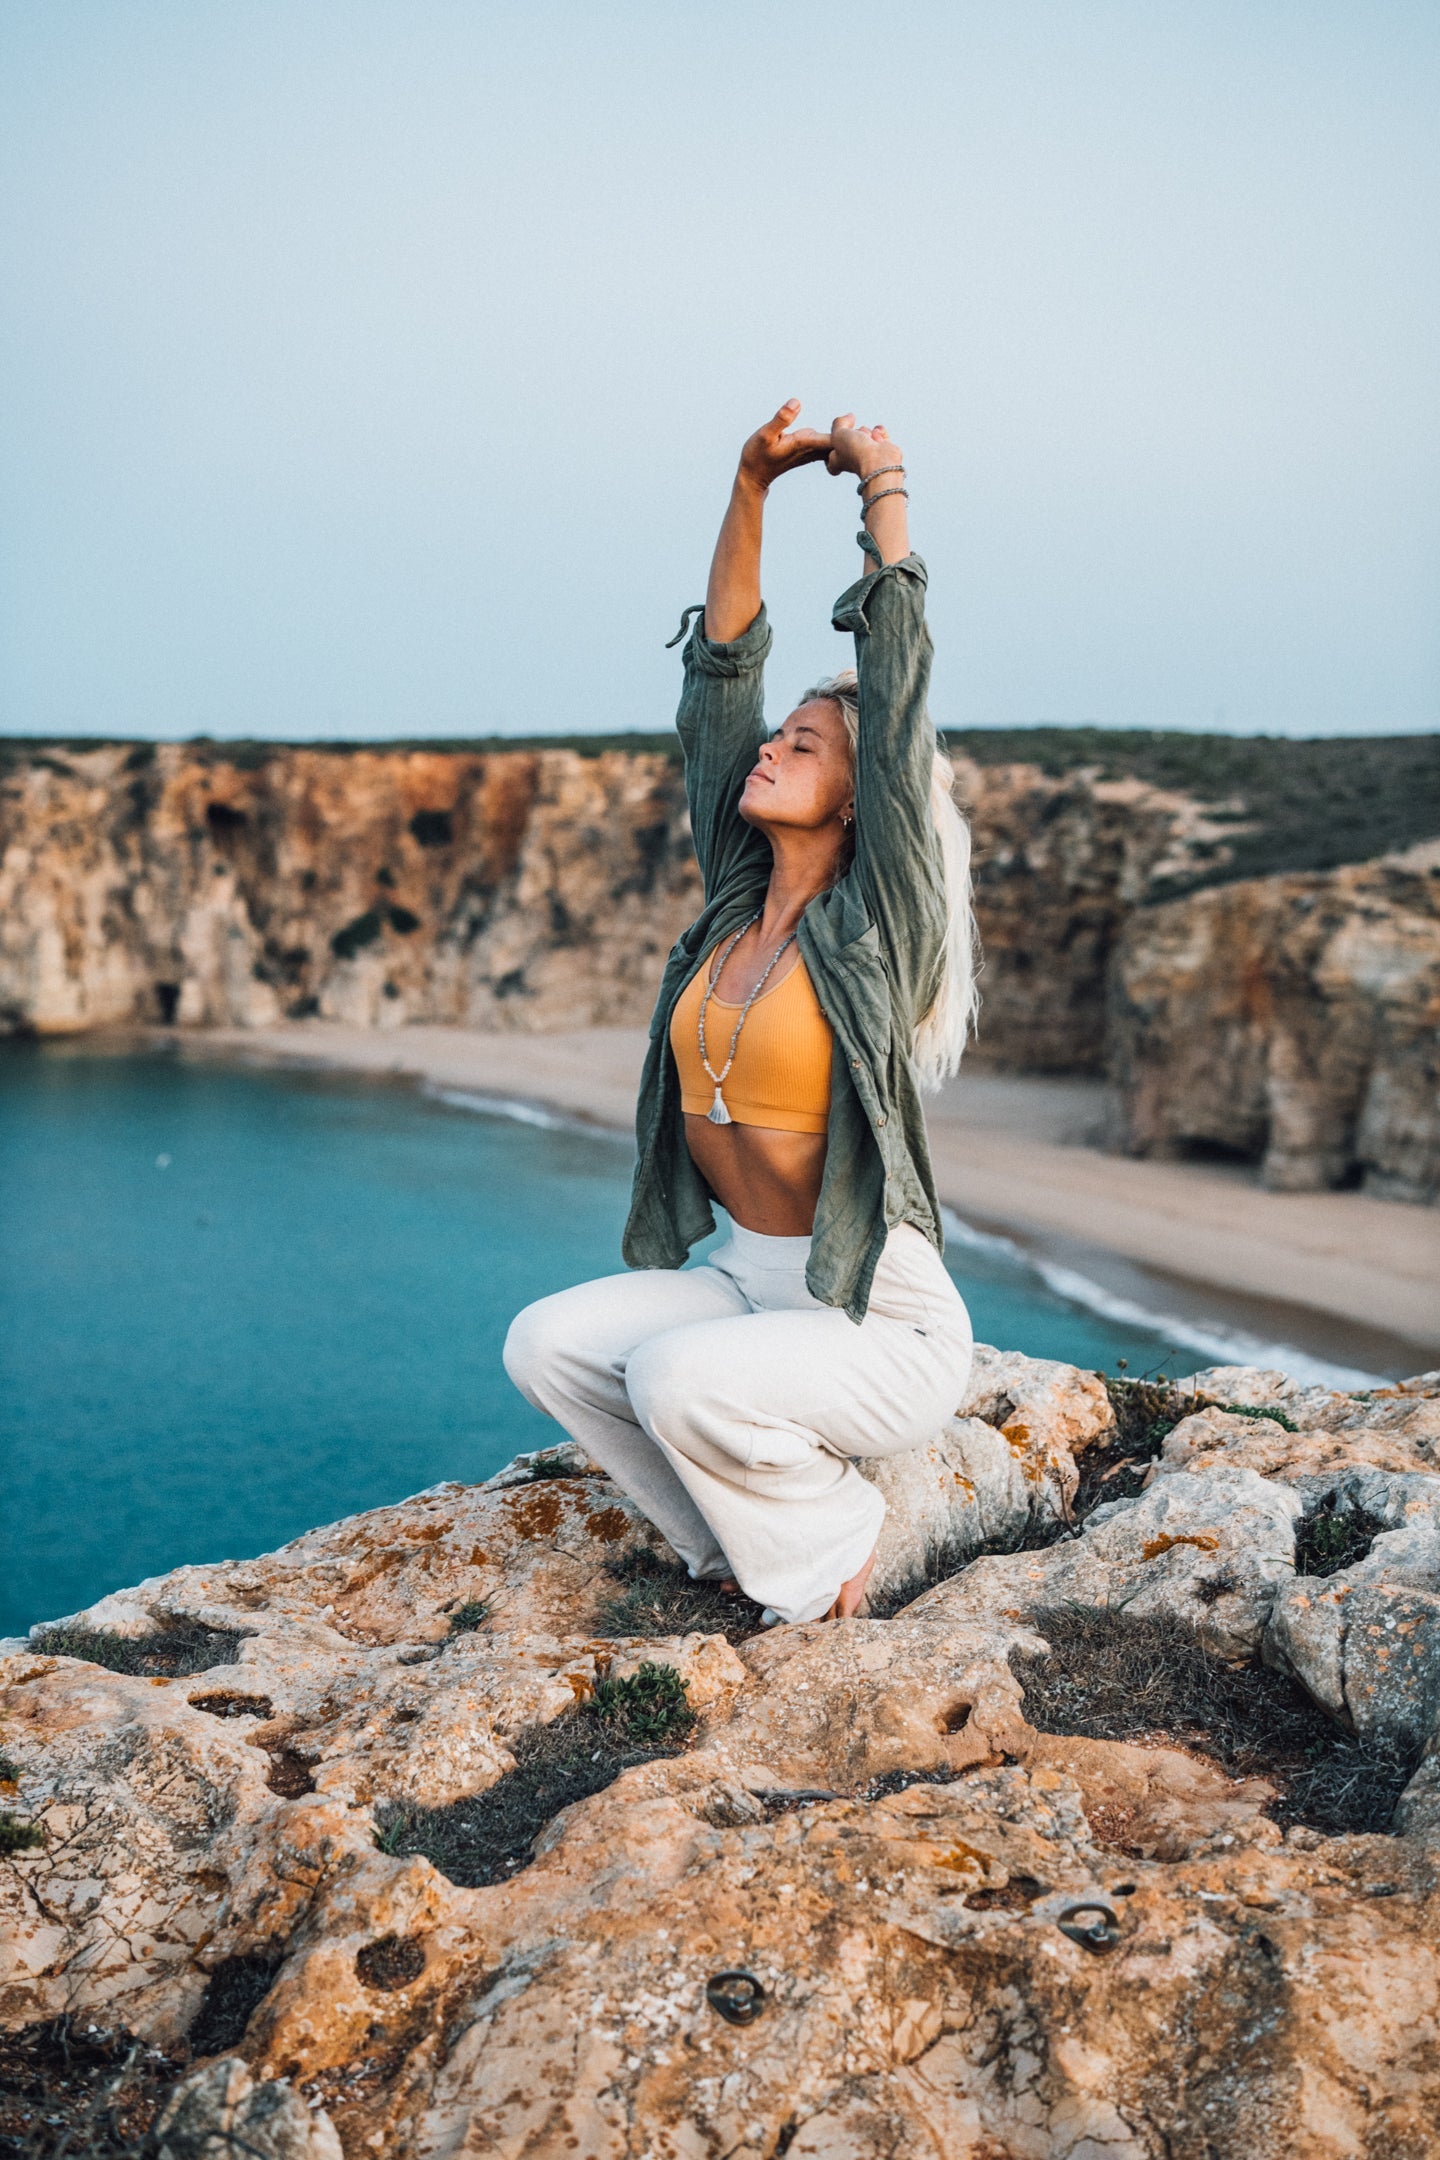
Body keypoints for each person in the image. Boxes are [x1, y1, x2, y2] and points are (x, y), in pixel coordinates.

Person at [504, 402, 980, 1623]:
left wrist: (883, 485)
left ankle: (828, 1547)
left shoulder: (875, 924)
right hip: (746, 1279)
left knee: (674, 1377)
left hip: (876, 1315)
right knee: (547, 1344)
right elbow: (719, 679)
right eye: (780, 734)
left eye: (806, 745)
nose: (771, 747)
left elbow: (898, 691)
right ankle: (718, 1541)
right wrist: (750, 484)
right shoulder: (734, 903)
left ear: (859, 798)